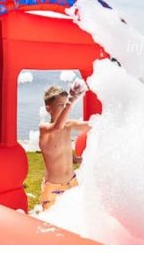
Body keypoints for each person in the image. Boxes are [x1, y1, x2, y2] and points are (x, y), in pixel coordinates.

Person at [39, 80, 91, 211]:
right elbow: (57, 126)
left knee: (76, 217)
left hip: (72, 183)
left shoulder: (68, 125)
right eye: (60, 105)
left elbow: (92, 125)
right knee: (52, 222)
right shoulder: (44, 128)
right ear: (48, 109)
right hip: (54, 189)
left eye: (65, 104)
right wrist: (71, 101)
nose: (64, 109)